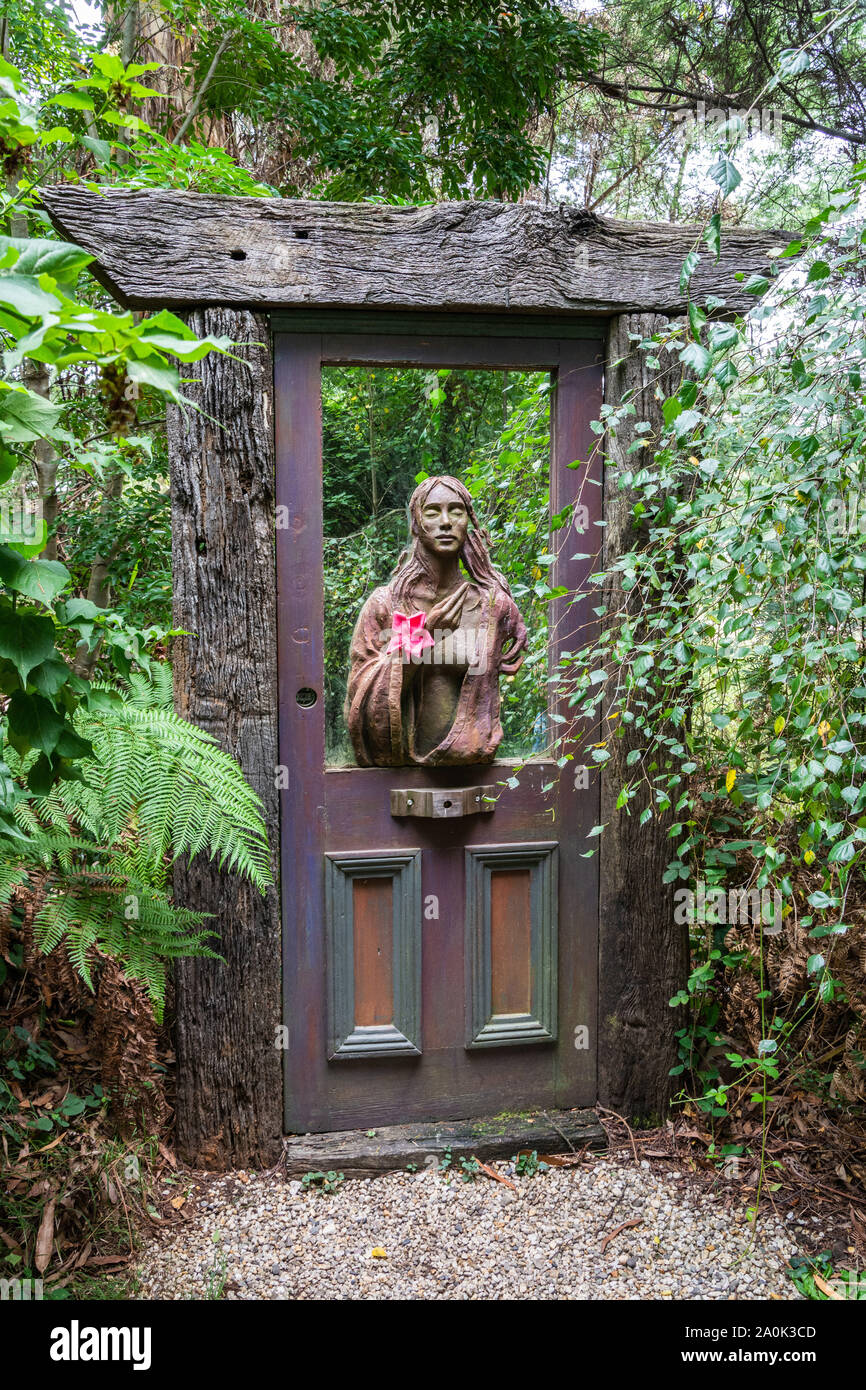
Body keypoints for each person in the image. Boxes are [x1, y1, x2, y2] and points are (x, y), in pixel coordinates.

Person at [345, 475, 528, 766]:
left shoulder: (493, 608)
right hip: (398, 782)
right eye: (432, 512)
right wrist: (425, 634)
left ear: (469, 521)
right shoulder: (387, 605)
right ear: (416, 523)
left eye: (456, 511)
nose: (446, 522)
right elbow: (362, 699)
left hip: (474, 773)